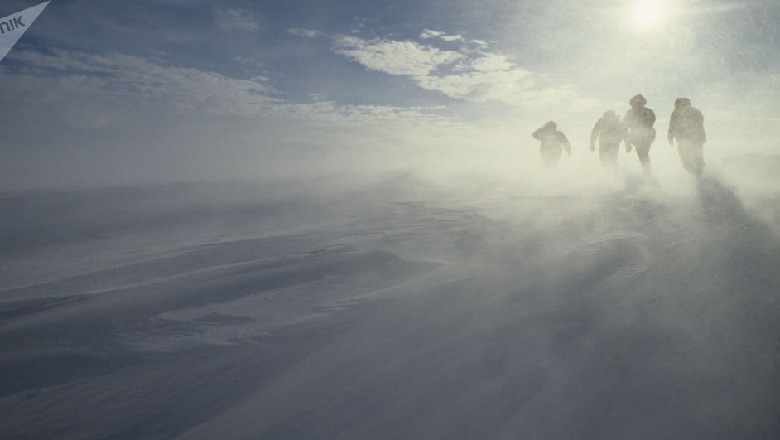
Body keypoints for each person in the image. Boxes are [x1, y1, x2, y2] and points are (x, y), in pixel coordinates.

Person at [668, 97, 706, 176]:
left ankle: (700, 174)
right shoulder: (675, 113)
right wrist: (670, 136)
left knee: (696, 156)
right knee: (685, 158)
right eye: (678, 105)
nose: (679, 106)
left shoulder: (695, 112)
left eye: (681, 104)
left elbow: (699, 124)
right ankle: (694, 174)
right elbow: (672, 125)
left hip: (695, 139)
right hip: (683, 139)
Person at [622, 94, 656, 176]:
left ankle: (648, 173)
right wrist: (627, 143)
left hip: (645, 135)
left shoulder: (648, 112)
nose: (637, 105)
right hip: (637, 136)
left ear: (642, 103)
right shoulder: (630, 112)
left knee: (643, 155)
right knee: (642, 155)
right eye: (635, 103)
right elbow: (625, 127)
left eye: (639, 103)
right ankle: (648, 173)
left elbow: (650, 123)